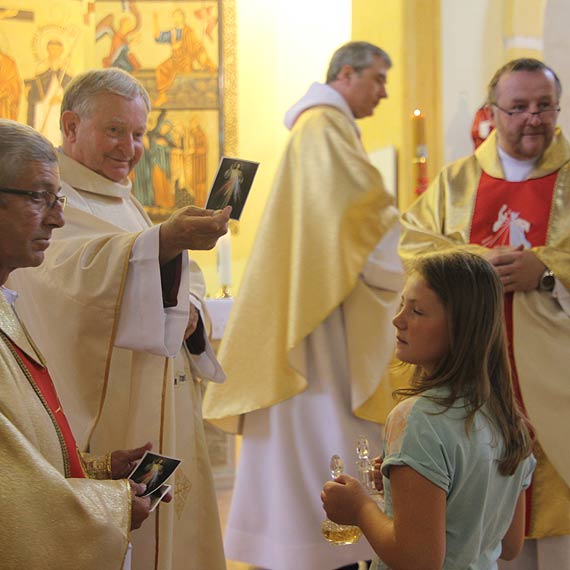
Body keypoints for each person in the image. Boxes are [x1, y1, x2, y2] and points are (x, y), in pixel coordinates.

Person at [8, 68, 230, 570]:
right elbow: (63, 279)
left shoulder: (123, 194)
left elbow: (177, 279)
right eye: (114, 130)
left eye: (138, 133)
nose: (129, 148)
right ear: (70, 125)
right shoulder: (49, 195)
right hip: (110, 411)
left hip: (161, 398)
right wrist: (163, 242)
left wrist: (190, 309)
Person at [203, 41, 404, 570]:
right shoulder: (322, 127)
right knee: (318, 432)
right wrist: (417, 249)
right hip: (319, 323)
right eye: (379, 78)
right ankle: (311, 549)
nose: (385, 91)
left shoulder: (325, 127)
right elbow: (362, 215)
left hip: (319, 304)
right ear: (346, 73)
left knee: (308, 437)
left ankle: (305, 545)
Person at [398, 58, 570, 569]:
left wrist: (547, 269)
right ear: (493, 112)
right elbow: (413, 245)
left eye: (545, 106)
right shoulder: (456, 182)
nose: (533, 118)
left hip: (556, 382)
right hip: (476, 375)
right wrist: (476, 261)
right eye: (519, 107)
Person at [0, 118, 154, 569]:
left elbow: (18, 449)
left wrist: (97, 468)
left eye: (58, 198)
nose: (58, 217)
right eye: (39, 197)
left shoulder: (7, 303)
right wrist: (112, 506)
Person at [322, 251, 536, 569]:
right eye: (402, 305)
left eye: (417, 311)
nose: (398, 320)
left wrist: (359, 508)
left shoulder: (418, 419)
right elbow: (509, 544)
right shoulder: (510, 421)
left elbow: (418, 560)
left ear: (461, 330)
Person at [153, 8, 217, 107]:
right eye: (174, 16)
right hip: (174, 59)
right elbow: (158, 37)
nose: (176, 18)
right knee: (160, 68)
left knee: (184, 73)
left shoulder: (188, 31)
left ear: (183, 17)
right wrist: (155, 20)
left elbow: (195, 47)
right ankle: (162, 96)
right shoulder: (173, 32)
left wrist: (206, 62)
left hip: (185, 60)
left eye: (178, 15)